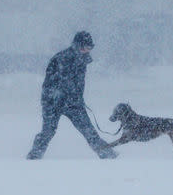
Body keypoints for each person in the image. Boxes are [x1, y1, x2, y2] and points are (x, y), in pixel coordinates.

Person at [27, 31, 117, 159]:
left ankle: (108, 155)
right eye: (87, 47)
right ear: (79, 45)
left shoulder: (82, 59)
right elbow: (58, 83)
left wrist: (77, 99)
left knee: (88, 131)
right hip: (52, 103)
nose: (88, 50)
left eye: (90, 47)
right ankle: (33, 157)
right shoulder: (62, 58)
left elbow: (77, 84)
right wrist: (61, 97)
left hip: (74, 103)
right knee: (48, 132)